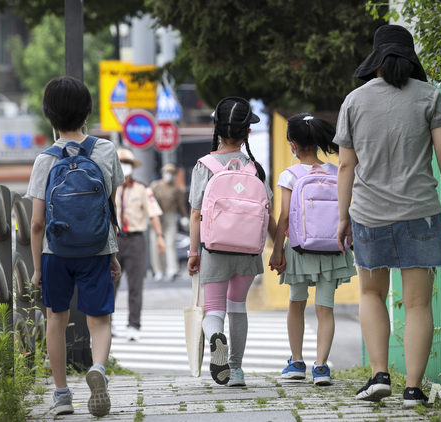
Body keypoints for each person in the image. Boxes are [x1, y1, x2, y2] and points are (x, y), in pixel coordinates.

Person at [334, 24, 441, 407]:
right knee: (418, 303)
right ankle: (413, 389)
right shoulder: (429, 96)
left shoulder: (354, 101)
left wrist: (343, 217)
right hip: (419, 213)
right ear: (410, 60)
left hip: (368, 214)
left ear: (376, 61)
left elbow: (345, 167)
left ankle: (379, 376)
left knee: (372, 294)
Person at [27, 76, 125, 416]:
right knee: (99, 320)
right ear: (87, 112)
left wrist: (37, 267)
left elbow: (37, 222)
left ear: (49, 117)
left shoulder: (44, 161)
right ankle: (97, 368)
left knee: (56, 318)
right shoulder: (106, 150)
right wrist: (112, 253)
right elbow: (108, 206)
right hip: (96, 250)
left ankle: (62, 395)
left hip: (56, 252)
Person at [187, 96, 277, 387]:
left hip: (215, 249)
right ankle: (236, 370)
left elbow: (195, 214)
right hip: (249, 253)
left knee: (214, 309)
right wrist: (280, 248)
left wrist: (192, 252)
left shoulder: (205, 165)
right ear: (247, 133)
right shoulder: (256, 170)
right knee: (238, 306)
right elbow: (268, 214)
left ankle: (216, 337)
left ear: (216, 128)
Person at [269, 113, 357, 386]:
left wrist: (277, 250)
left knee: (296, 304)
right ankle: (321, 368)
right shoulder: (334, 172)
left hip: (299, 249)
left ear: (292, 144)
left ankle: (296, 362)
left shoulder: (290, 174)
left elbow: (284, 217)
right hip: (332, 248)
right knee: (325, 309)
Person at [114, 148, 165, 341]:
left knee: (136, 284)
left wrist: (160, 236)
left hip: (135, 239)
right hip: (115, 239)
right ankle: (108, 322)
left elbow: (153, 213)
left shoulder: (142, 188)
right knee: (110, 283)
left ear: (132, 166)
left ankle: (133, 325)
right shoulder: (109, 187)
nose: (124, 166)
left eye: (126, 162)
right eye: (120, 162)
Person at [151, 163, 189, 281]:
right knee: (155, 244)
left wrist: (185, 217)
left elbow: (181, 205)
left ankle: (172, 269)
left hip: (170, 216)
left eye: (172, 173)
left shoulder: (176, 189)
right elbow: (149, 201)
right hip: (157, 217)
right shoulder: (156, 186)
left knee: (170, 243)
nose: (169, 175)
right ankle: (158, 271)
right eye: (167, 172)